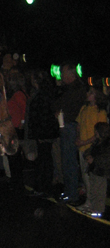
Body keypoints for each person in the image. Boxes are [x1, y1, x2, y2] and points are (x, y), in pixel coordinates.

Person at [54, 62, 86, 203]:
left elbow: (68, 107)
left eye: (64, 73)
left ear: (71, 75)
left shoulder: (77, 89)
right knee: (67, 160)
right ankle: (70, 190)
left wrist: (61, 113)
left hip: (71, 126)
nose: (61, 75)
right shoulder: (69, 89)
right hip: (66, 125)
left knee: (69, 161)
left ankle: (72, 193)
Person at [24, 69, 60, 197]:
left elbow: (42, 116)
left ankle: (42, 186)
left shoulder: (42, 96)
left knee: (44, 160)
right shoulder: (44, 94)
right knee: (45, 159)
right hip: (44, 132)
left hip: (43, 133)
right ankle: (44, 185)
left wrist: (40, 134)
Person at [75, 86, 108, 213]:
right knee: (85, 177)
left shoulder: (100, 112)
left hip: (93, 149)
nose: (88, 94)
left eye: (91, 93)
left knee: (93, 179)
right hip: (83, 148)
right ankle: (89, 202)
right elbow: (79, 125)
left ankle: (93, 204)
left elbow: (100, 133)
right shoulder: (84, 108)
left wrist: (85, 142)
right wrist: (78, 139)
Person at [83, 121, 110, 217]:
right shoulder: (96, 142)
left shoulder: (107, 144)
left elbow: (106, 158)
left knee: (100, 192)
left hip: (101, 171)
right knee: (93, 190)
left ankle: (98, 210)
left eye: (96, 131)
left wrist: (94, 160)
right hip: (94, 170)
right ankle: (93, 207)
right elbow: (87, 151)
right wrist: (87, 156)